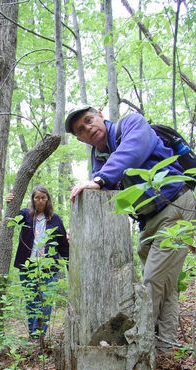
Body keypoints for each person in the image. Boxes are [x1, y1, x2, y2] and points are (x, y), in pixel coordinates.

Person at [66, 105, 195, 351]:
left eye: (89, 120)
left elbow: (132, 151)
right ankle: (165, 349)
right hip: (148, 223)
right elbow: (103, 199)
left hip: (176, 205)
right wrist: (79, 229)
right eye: (80, 130)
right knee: (165, 286)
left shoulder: (132, 125)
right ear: (80, 138)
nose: (88, 128)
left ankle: (137, 345)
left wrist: (100, 179)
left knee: (151, 283)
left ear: (101, 116)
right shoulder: (98, 161)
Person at [7, 186, 69, 337]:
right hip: (28, 267)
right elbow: (10, 217)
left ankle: (37, 336)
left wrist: (70, 266)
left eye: (43, 197)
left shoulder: (55, 219)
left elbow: (63, 246)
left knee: (45, 302)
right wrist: (9, 202)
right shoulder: (25, 215)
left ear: (48, 199)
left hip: (48, 267)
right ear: (33, 200)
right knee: (31, 302)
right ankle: (33, 336)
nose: (40, 200)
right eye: (37, 198)